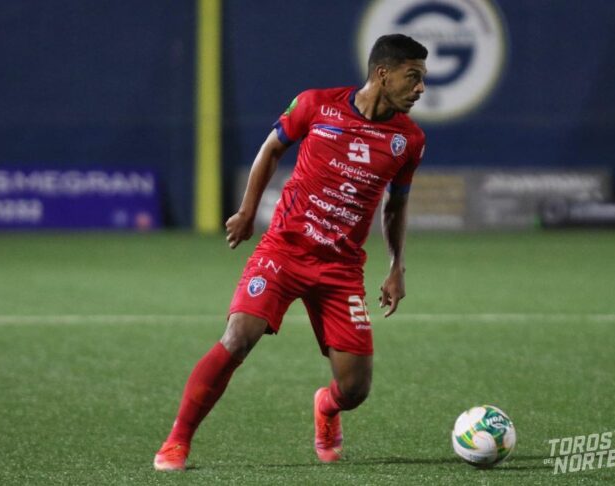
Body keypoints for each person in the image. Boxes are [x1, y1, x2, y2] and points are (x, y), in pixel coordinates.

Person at [154, 33, 428, 471]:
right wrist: (247, 212)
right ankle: (176, 441)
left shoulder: (409, 140)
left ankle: (326, 407)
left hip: (341, 269)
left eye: (422, 79)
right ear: (382, 74)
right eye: (412, 77)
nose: (420, 88)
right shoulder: (316, 105)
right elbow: (272, 149)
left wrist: (397, 267)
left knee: (355, 390)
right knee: (238, 337)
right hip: (284, 250)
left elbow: (396, 206)